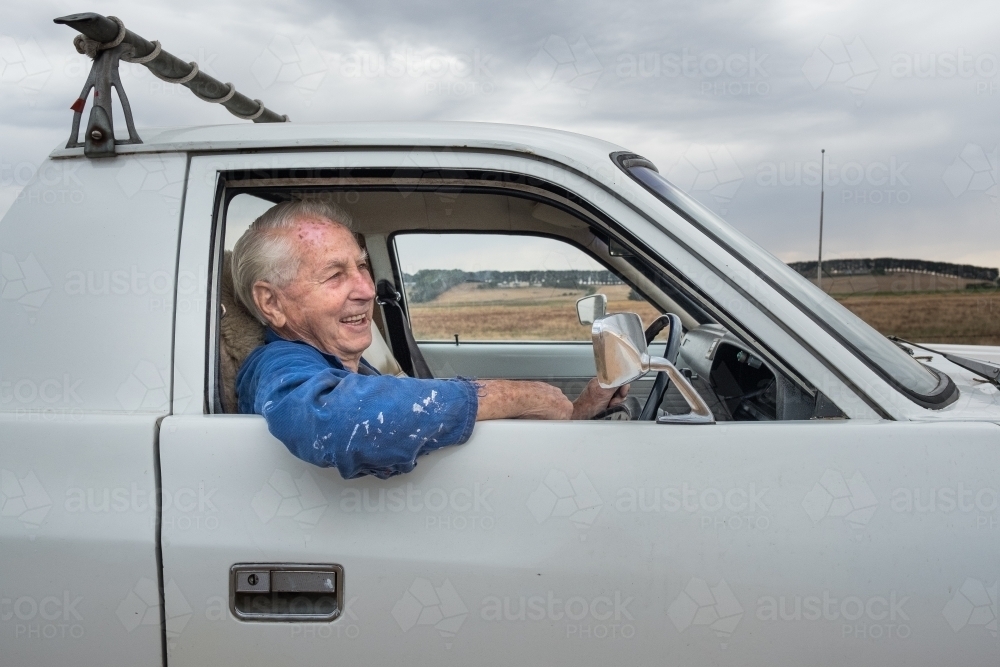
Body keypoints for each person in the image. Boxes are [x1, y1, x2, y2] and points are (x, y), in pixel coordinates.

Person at [233, 199, 628, 479]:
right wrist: (517, 395)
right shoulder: (278, 363)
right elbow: (337, 422)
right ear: (272, 303)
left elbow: (400, 405)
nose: (367, 289)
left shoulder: (338, 361)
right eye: (335, 275)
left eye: (361, 267)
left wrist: (578, 414)